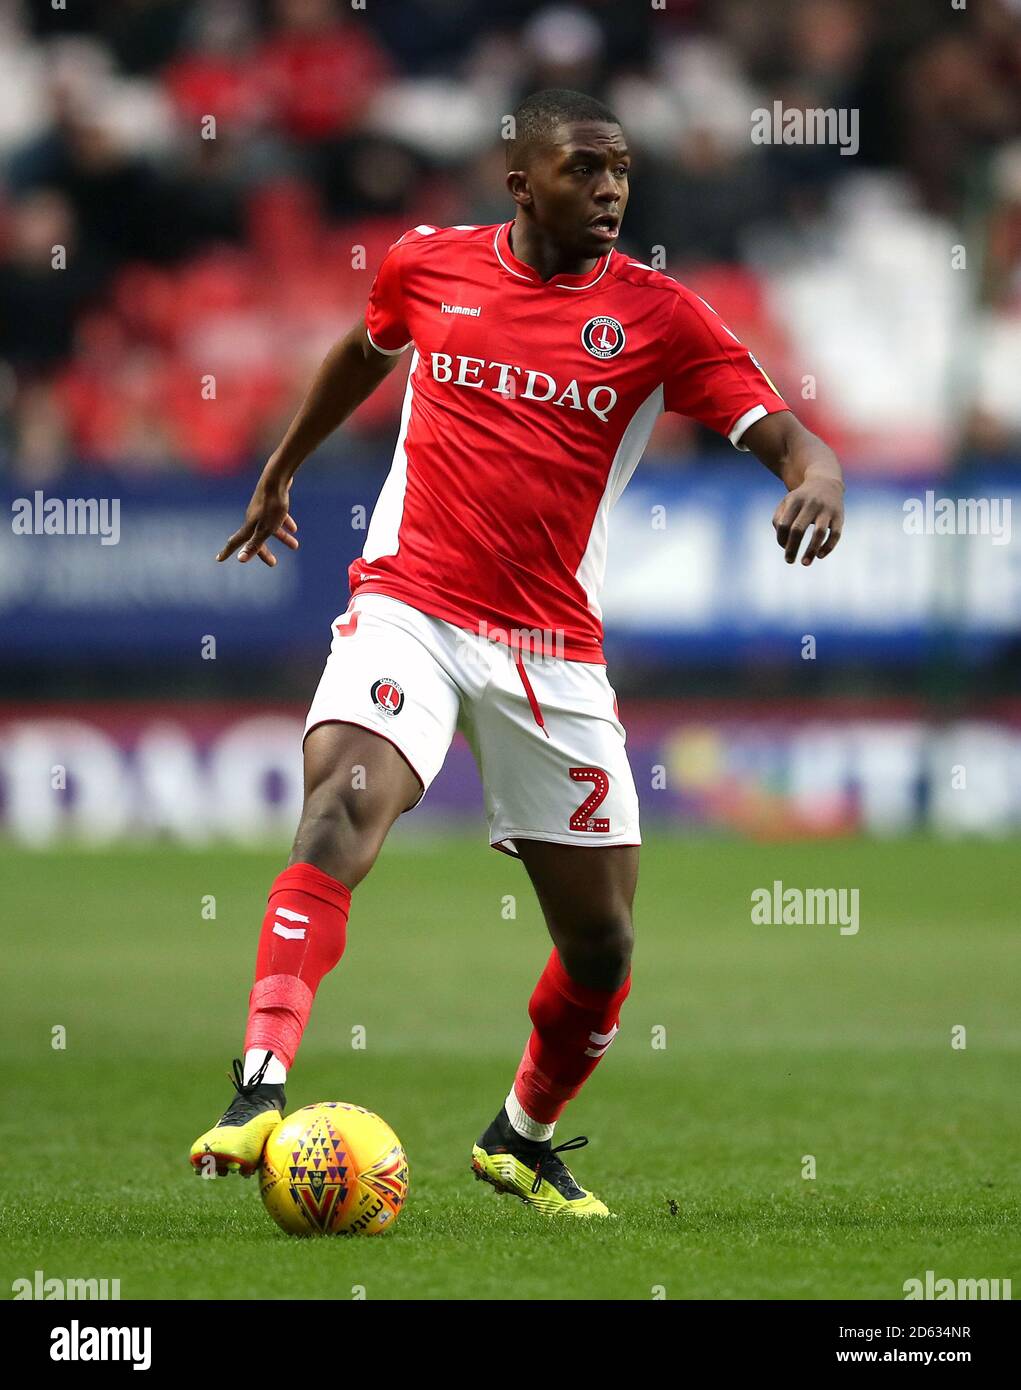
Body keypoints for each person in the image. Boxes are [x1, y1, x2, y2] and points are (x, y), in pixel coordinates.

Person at [190, 88, 844, 1216]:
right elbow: (363, 348)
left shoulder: (658, 314)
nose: (609, 190)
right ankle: (257, 1089)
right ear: (520, 182)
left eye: (620, 171)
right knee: (343, 801)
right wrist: (286, 463)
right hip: (411, 606)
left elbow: (780, 429)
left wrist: (817, 476)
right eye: (585, 169)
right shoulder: (428, 264)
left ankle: (520, 1135)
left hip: (553, 653)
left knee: (601, 946)